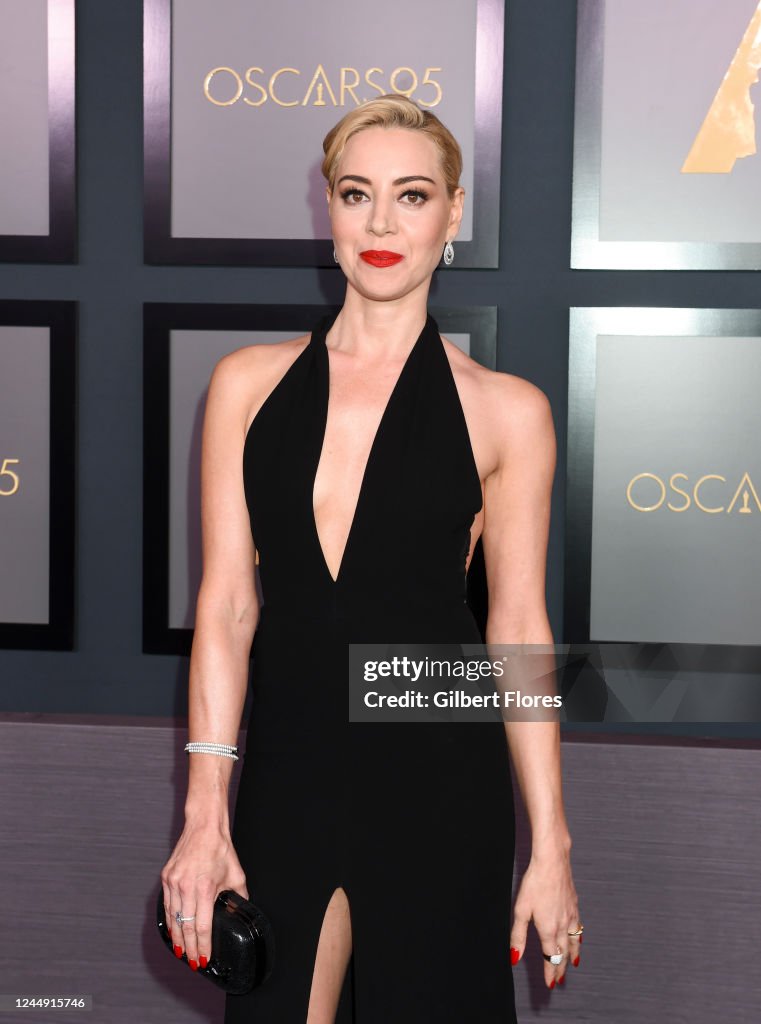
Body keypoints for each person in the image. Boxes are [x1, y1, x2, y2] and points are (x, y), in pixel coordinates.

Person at [161, 94, 581, 1023]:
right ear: (328, 210)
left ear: (453, 213)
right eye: (356, 195)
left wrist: (548, 841)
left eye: (412, 195)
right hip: (287, 768)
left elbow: (515, 627)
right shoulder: (246, 385)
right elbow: (229, 609)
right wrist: (204, 811)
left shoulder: (508, 410)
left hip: (436, 773)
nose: (382, 223)